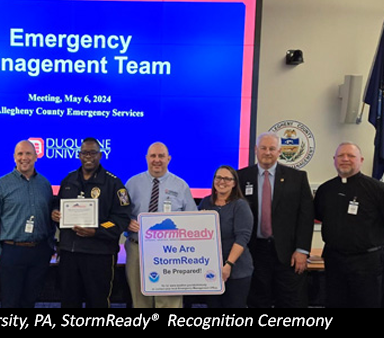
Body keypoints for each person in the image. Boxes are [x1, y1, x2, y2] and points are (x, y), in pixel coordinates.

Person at [314, 142, 384, 308]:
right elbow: (319, 218)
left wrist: (375, 244)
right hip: (334, 262)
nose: (345, 159)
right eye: (341, 156)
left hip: (367, 264)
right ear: (334, 160)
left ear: (361, 160)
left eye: (351, 156)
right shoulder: (325, 190)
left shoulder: (379, 189)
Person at [237, 131, 315, 308]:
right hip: (254, 251)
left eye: (272, 148)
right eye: (263, 148)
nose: (267, 152)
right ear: (256, 150)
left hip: (288, 254)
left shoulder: (298, 178)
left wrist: (302, 250)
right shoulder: (241, 177)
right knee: (257, 300)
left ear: (279, 151)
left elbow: (306, 216)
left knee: (290, 301)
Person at [51, 137, 131, 308]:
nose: (89, 156)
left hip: (99, 255)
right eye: (85, 153)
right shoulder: (68, 181)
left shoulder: (114, 184)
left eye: (93, 153)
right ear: (79, 155)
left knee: (98, 303)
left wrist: (97, 231)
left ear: (100, 155)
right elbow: (58, 208)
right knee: (69, 303)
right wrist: (56, 215)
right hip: (69, 254)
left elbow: (121, 219)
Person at [123, 142, 196, 308]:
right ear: (146, 158)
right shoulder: (132, 184)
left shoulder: (181, 186)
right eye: (153, 156)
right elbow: (121, 214)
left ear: (168, 159)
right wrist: (127, 222)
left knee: (169, 301)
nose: (157, 160)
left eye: (161, 156)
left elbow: (192, 219)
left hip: (171, 252)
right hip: (137, 249)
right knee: (140, 301)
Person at [0, 140, 55, 308]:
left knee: (30, 302)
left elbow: (49, 218)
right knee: (10, 303)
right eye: (20, 154)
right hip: (11, 252)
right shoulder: (0, 185)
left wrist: (49, 247)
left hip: (39, 252)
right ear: (14, 157)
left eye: (28, 153)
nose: (24, 158)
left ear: (36, 156)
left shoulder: (45, 184)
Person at [198, 165, 254, 308]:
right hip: (211, 271)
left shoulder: (240, 205)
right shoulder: (205, 202)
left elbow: (242, 237)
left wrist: (228, 264)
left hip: (237, 270)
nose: (222, 182)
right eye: (219, 177)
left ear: (234, 183)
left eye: (227, 179)